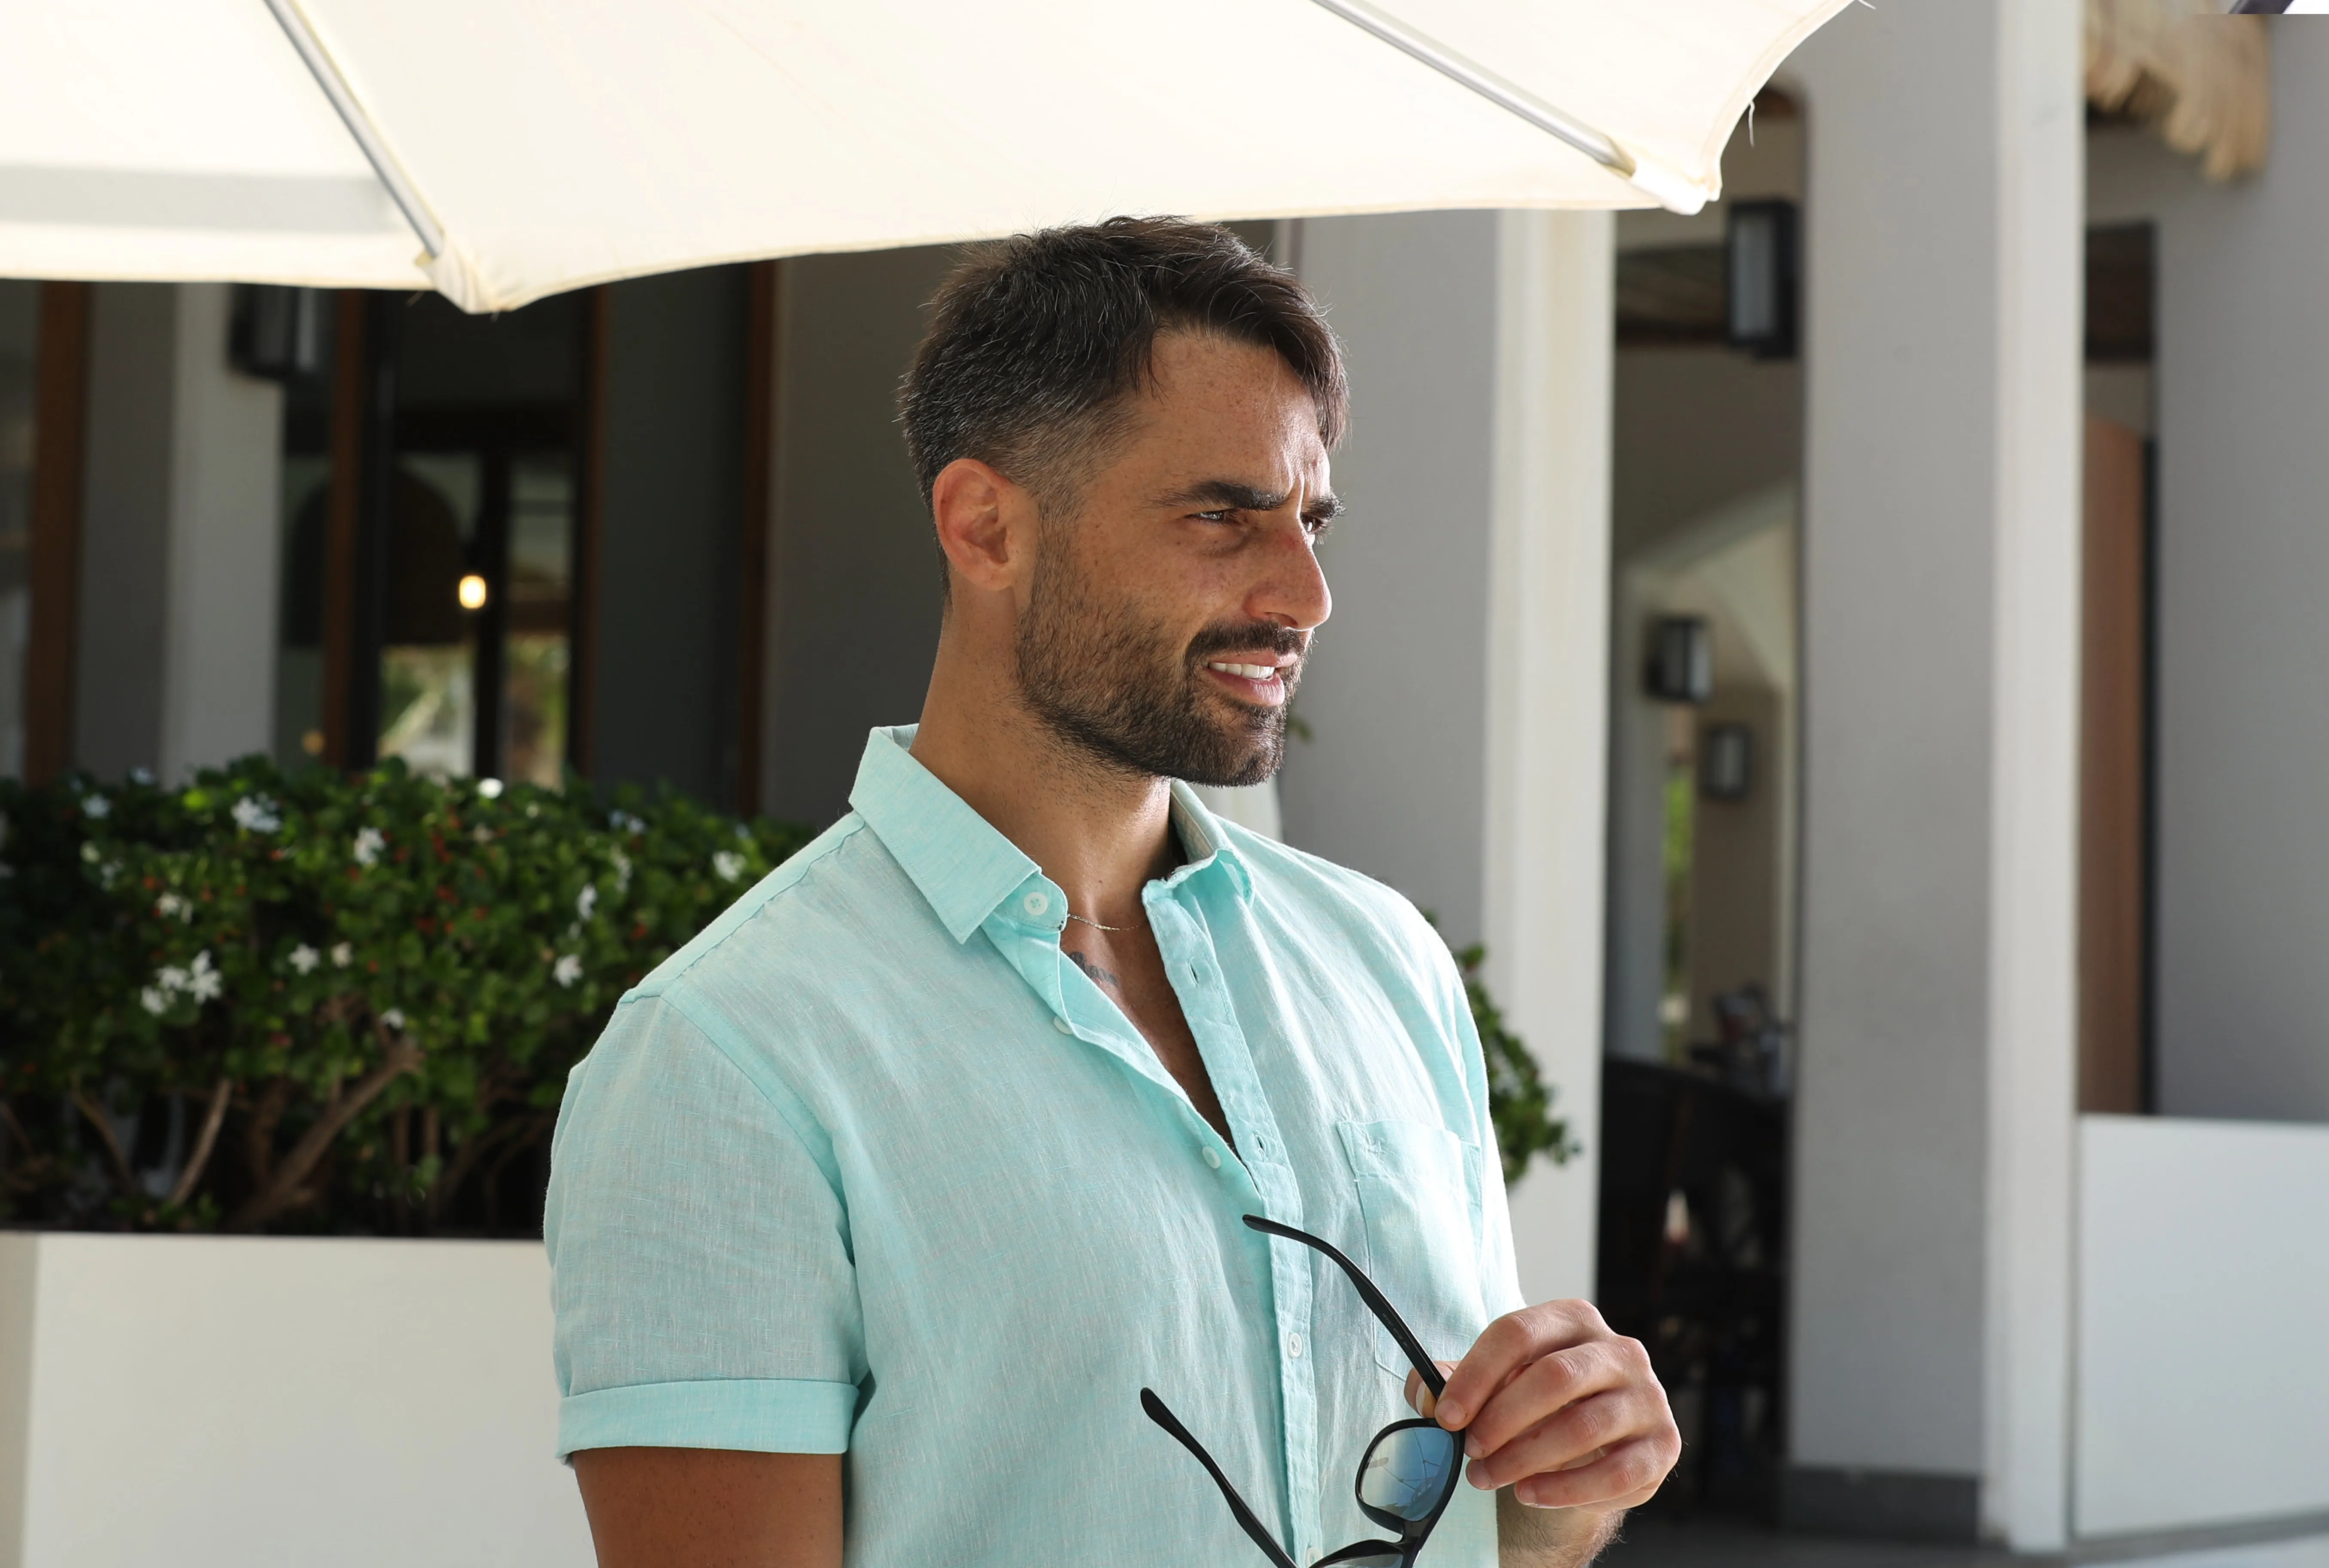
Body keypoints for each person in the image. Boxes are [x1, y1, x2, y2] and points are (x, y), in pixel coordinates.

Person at [547, 216, 1677, 1567]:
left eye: (1309, 521)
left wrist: (1562, 1491)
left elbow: (1488, 1527)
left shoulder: (1385, 964)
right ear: (986, 527)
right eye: (1221, 515)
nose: (1305, 594)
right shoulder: (725, 1061)